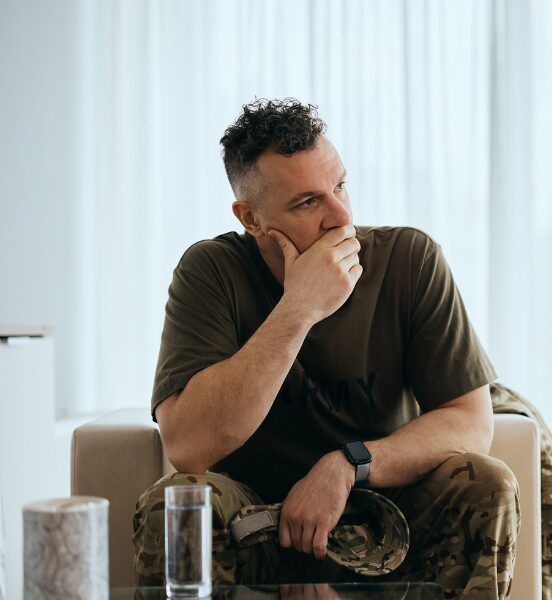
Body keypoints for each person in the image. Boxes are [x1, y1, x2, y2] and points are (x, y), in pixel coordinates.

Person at [131, 98, 518, 599]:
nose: (342, 217)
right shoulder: (211, 273)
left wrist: (348, 464)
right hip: (258, 522)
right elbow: (188, 447)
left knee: (485, 481)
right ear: (250, 218)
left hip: (385, 510)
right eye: (308, 202)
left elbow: (471, 421)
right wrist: (298, 309)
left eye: (339, 185)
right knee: (176, 503)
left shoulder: (410, 259)